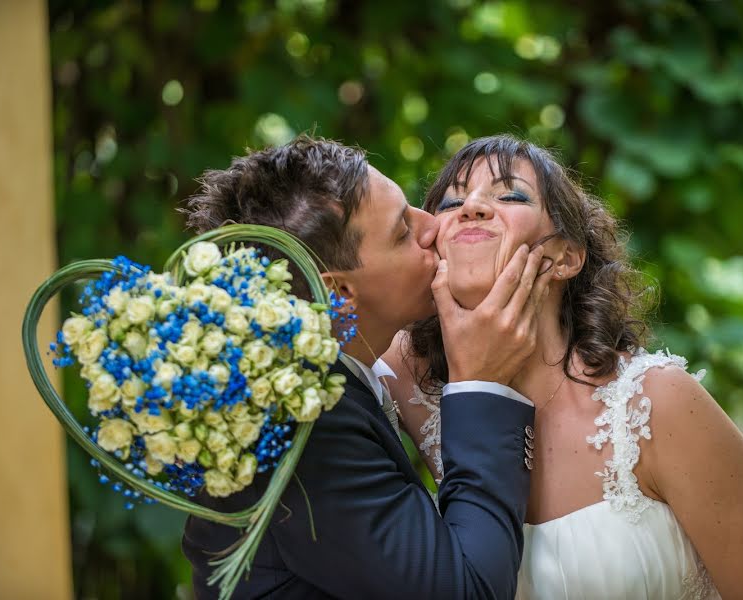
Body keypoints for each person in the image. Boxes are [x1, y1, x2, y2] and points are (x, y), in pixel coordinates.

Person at [381, 134, 743, 599]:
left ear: (565, 257)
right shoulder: (409, 377)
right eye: (451, 202)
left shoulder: (658, 404)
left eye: (510, 195)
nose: (472, 208)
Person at [180, 136, 555, 599]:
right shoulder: (306, 424)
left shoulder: (327, 386)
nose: (433, 225)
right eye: (402, 233)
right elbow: (468, 590)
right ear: (338, 293)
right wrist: (482, 383)